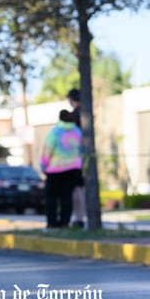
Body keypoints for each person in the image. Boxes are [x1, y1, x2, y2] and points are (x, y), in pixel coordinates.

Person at [40, 109, 83, 228]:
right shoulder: (78, 132)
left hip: (55, 169)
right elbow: (81, 150)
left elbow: (47, 150)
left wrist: (43, 166)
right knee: (66, 197)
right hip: (73, 169)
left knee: (51, 197)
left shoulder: (55, 132)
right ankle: (65, 222)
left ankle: (52, 223)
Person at [66, 88, 86, 227]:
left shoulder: (74, 116)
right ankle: (80, 217)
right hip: (83, 155)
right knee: (80, 188)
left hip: (74, 157)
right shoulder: (86, 112)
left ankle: (78, 217)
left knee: (75, 189)